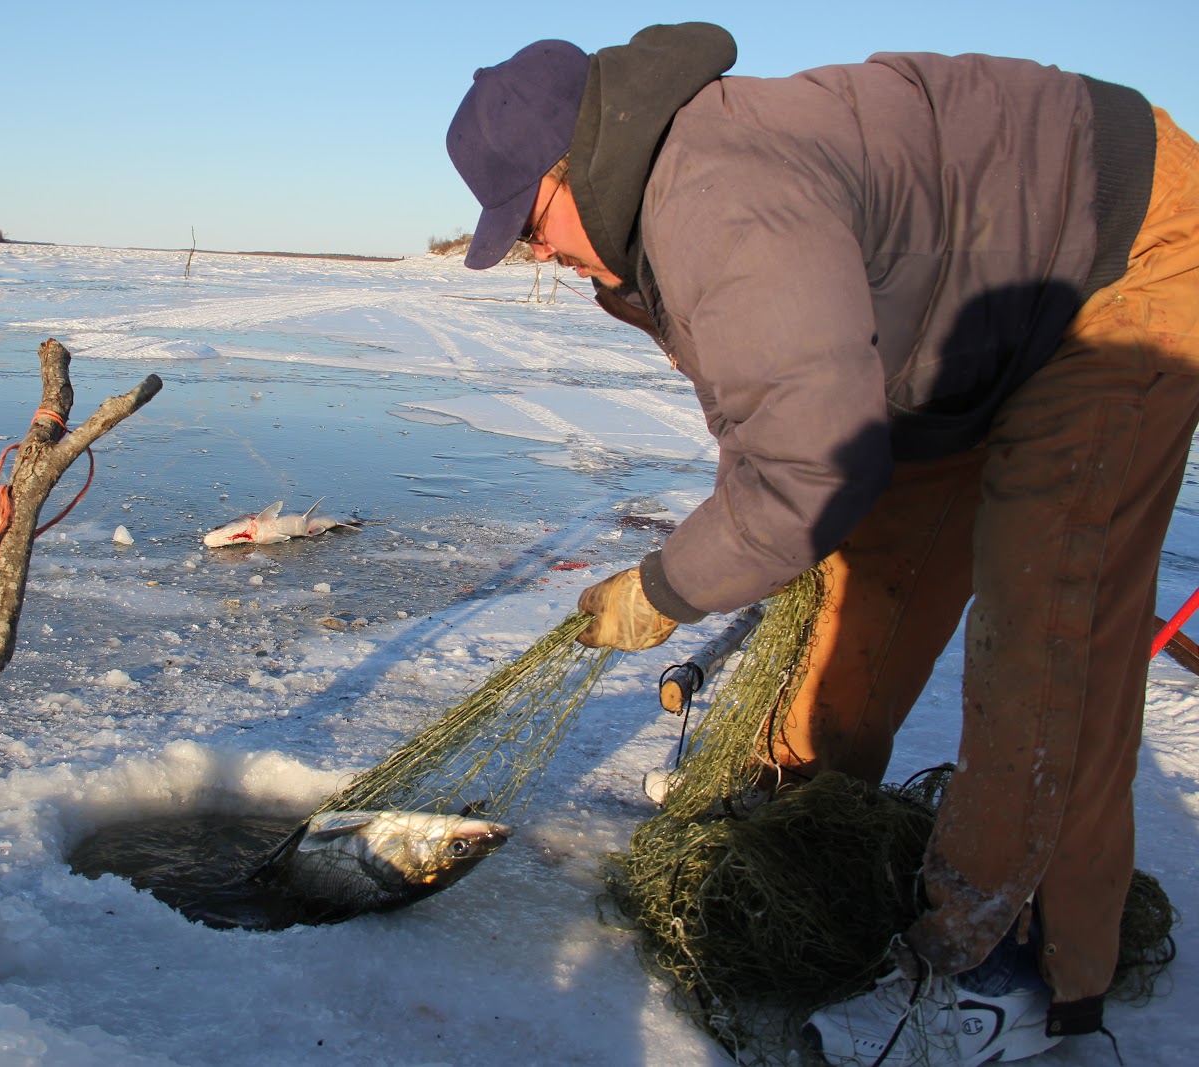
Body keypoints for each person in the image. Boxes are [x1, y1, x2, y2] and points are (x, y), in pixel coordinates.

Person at [447, 22, 1199, 1067]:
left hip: (1123, 260)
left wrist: (666, 586)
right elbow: (777, 423)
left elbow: (804, 473)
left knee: (1048, 623)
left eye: (530, 226)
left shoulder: (713, 194)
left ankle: (1011, 976)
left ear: (575, 169)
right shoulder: (667, 201)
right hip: (965, 332)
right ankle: (801, 798)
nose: (542, 257)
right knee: (878, 568)